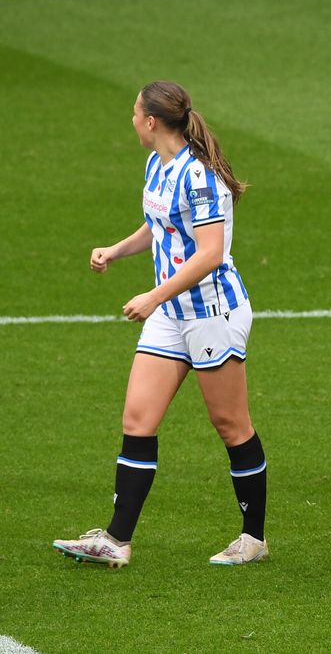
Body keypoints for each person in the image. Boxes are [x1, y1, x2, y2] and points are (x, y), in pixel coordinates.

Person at [53, 81, 267, 567]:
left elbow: (211, 254)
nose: (131, 121)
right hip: (172, 315)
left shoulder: (201, 178)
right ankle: (116, 540)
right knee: (138, 420)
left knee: (231, 425)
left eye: (134, 113)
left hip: (213, 315)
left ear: (152, 121)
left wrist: (153, 294)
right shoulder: (158, 165)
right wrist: (117, 249)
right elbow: (159, 225)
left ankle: (253, 538)